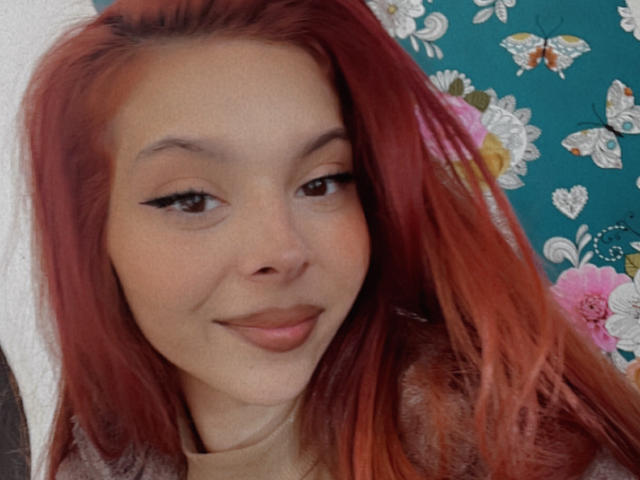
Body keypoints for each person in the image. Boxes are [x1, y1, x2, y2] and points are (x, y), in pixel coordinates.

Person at [15, 0, 640, 478]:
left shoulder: (516, 449)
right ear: (93, 234)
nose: (282, 252)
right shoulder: (93, 461)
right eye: (191, 199)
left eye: (322, 183)